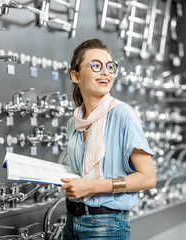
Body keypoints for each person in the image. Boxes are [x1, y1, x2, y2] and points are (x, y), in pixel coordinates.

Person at [60, 38, 156, 240]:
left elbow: (148, 178)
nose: (106, 72)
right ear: (75, 76)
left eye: (110, 67)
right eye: (96, 65)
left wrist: (93, 186)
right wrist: (44, 176)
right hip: (72, 219)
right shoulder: (74, 122)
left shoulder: (123, 115)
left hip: (106, 225)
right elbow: (75, 171)